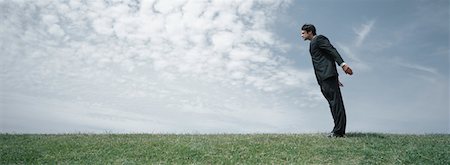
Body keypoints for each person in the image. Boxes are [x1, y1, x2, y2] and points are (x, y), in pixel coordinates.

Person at [300, 24, 353, 138]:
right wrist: (336, 78)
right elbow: (325, 59)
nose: (301, 35)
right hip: (323, 78)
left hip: (328, 76)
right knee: (332, 103)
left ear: (310, 32)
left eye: (303, 33)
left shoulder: (319, 39)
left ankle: (339, 132)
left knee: (336, 103)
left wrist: (343, 65)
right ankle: (337, 130)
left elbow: (331, 51)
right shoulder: (312, 44)